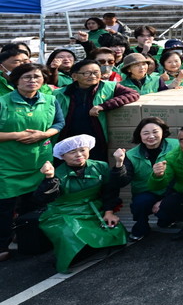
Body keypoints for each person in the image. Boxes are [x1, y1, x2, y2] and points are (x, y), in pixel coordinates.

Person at [33, 135, 127, 271]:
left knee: (116, 232)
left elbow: (110, 190)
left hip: (93, 208)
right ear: (62, 156)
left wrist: (109, 212)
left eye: (83, 150)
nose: (79, 155)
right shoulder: (58, 174)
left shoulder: (100, 166)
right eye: (72, 152)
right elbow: (41, 198)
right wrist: (49, 178)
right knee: (68, 234)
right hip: (63, 212)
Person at [0, 63, 64, 262]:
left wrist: (44, 134)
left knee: (34, 202)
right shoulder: (3, 102)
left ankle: (28, 237)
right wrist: (16, 135)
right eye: (26, 77)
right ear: (16, 81)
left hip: (39, 161)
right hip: (8, 163)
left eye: (37, 76)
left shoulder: (51, 100)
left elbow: (59, 124)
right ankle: (2, 243)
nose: (32, 80)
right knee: (5, 207)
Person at [56, 59, 139, 160]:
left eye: (96, 72)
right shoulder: (60, 93)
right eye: (87, 73)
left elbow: (133, 94)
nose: (93, 76)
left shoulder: (109, 87)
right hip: (69, 138)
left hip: (97, 137)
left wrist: (103, 106)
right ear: (74, 76)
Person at [121, 117, 174, 241]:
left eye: (155, 132)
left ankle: (167, 219)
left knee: (168, 212)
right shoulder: (131, 155)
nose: (151, 136)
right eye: (146, 133)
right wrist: (119, 165)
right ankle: (141, 227)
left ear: (163, 132)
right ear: (139, 135)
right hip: (146, 192)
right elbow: (122, 181)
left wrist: (164, 200)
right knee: (140, 203)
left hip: (171, 191)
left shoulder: (176, 146)